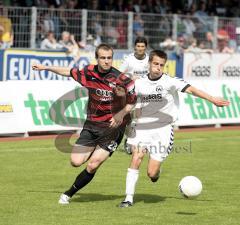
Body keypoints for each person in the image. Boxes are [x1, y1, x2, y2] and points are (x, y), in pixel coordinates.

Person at [119, 50, 230, 208]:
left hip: (163, 129)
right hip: (143, 127)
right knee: (136, 158)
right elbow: (129, 102)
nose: (158, 67)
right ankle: (128, 199)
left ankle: (156, 172)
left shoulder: (170, 81)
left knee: (151, 173)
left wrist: (212, 99)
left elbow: (192, 90)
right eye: (155, 64)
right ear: (149, 64)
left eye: (161, 65)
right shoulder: (138, 83)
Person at [32, 44, 137, 204]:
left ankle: (68, 194)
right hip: (91, 125)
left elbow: (132, 102)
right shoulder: (89, 72)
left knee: (93, 164)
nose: (106, 61)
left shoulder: (121, 79)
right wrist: (45, 67)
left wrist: (120, 114)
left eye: (109, 58)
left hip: (112, 129)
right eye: (103, 58)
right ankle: (95, 150)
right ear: (97, 58)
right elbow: (68, 72)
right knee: (75, 162)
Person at [119, 36, 149, 154]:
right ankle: (129, 140)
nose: (140, 49)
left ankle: (136, 141)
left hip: (147, 93)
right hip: (132, 93)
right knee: (133, 120)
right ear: (135, 47)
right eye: (138, 46)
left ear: (145, 47)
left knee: (141, 119)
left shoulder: (149, 59)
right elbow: (119, 74)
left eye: (142, 46)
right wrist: (131, 78)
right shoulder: (129, 59)